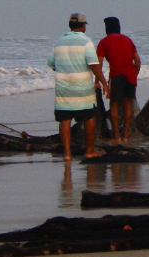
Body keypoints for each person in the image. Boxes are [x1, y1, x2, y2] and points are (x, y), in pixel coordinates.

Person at [47, 13, 109, 160]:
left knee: (65, 119)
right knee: (88, 117)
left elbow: (52, 65)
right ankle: (89, 150)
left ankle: (67, 154)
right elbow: (94, 65)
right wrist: (104, 83)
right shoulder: (86, 42)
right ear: (83, 26)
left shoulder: (58, 42)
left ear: (70, 25)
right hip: (82, 86)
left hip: (63, 87)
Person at [96, 16, 141, 144]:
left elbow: (98, 64)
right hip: (130, 75)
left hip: (116, 75)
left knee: (114, 104)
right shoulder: (128, 40)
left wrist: (97, 81)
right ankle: (126, 135)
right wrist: (135, 74)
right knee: (128, 105)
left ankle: (117, 135)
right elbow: (137, 60)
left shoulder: (104, 42)